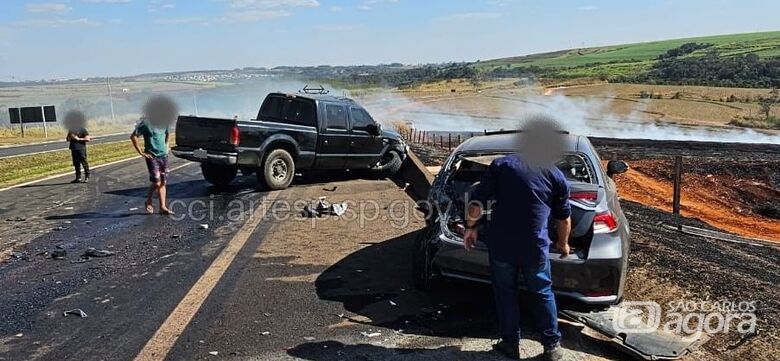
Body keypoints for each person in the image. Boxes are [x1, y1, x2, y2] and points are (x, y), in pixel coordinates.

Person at [463, 132, 572, 360]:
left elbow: (478, 200)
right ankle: (552, 346)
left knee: (506, 294)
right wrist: (563, 245)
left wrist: (470, 227)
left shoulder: (502, 165)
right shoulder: (555, 175)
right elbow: (563, 218)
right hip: (535, 247)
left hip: (503, 245)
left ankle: (510, 344)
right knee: (543, 293)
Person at [130, 118, 173, 215]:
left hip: (164, 156)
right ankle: (148, 200)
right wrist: (141, 152)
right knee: (157, 182)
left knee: (163, 182)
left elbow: (168, 134)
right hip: (152, 156)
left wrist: (166, 145)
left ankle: (163, 207)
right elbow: (133, 136)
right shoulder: (145, 123)